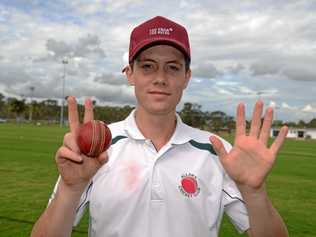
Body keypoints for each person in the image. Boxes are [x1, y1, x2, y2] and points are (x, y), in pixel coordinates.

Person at [31, 16, 289, 237]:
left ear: (186, 77)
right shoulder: (94, 151)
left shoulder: (217, 151)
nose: (160, 78)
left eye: (173, 68)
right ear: (129, 73)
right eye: (147, 67)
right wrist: (70, 188)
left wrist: (255, 193)